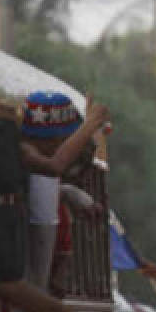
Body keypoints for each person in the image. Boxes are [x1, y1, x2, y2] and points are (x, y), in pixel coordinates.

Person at [18, 91, 110, 288]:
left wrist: (68, 193)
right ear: (51, 137)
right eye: (65, 140)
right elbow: (55, 166)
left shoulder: (39, 175)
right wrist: (88, 127)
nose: (66, 148)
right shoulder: (26, 153)